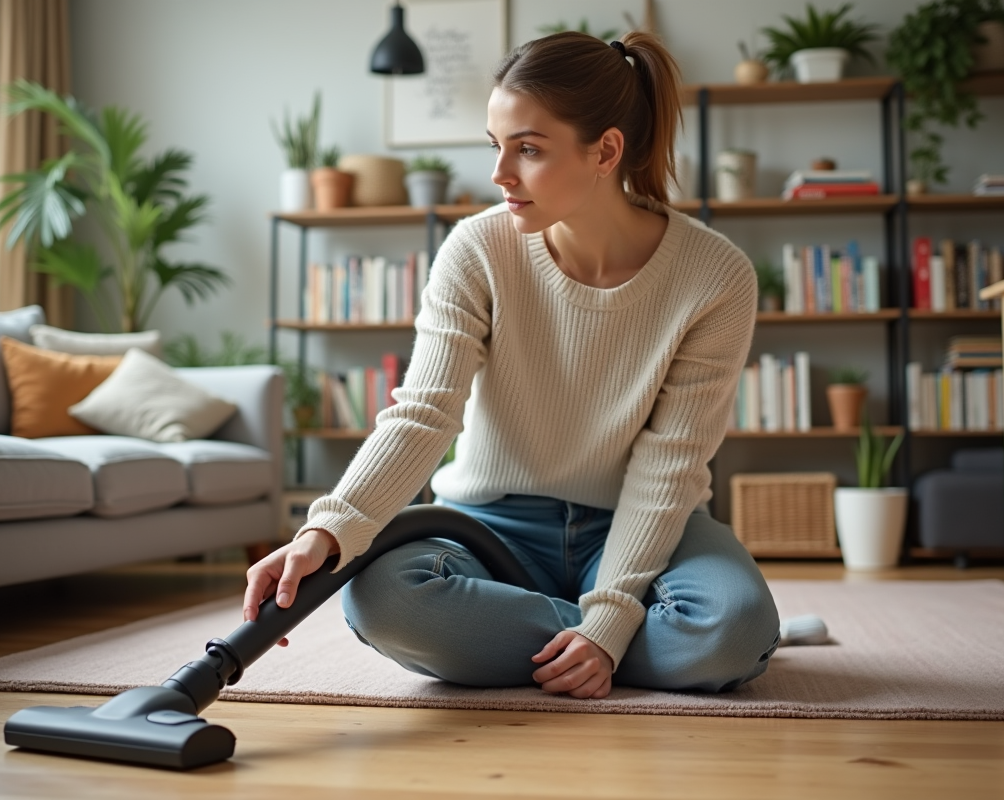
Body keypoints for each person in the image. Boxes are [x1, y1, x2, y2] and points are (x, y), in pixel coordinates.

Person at [244, 30, 781, 700]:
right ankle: (615, 645)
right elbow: (424, 412)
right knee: (381, 600)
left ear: (605, 151)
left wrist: (612, 614)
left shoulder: (715, 275)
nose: (499, 173)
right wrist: (329, 529)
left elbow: (670, 460)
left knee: (732, 625)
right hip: (493, 524)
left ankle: (583, 639)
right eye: (495, 146)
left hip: (640, 522)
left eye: (527, 149)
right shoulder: (476, 249)